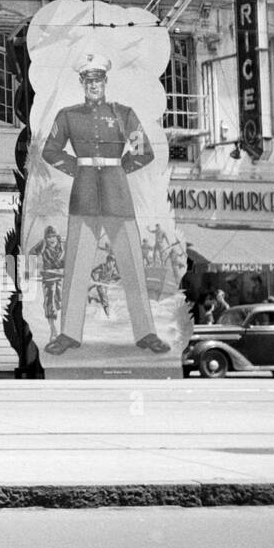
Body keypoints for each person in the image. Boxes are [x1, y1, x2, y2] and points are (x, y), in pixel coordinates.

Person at [40, 53, 169, 356]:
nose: (93, 84)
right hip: (83, 195)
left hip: (117, 196)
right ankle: (69, 334)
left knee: (133, 267)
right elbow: (50, 150)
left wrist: (121, 167)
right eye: (88, 79)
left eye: (98, 79)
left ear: (105, 81)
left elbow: (144, 151)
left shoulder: (123, 114)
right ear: (81, 82)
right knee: (75, 267)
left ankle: (147, 333)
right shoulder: (68, 115)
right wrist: (77, 168)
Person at [29, 225, 66, 340]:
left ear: (57, 236)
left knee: (59, 302)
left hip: (61, 277)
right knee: (50, 304)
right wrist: (34, 269)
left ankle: (62, 329)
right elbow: (32, 253)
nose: (51, 239)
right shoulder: (43, 244)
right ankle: (53, 331)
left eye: (53, 236)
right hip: (48, 278)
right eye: (49, 237)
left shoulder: (63, 244)